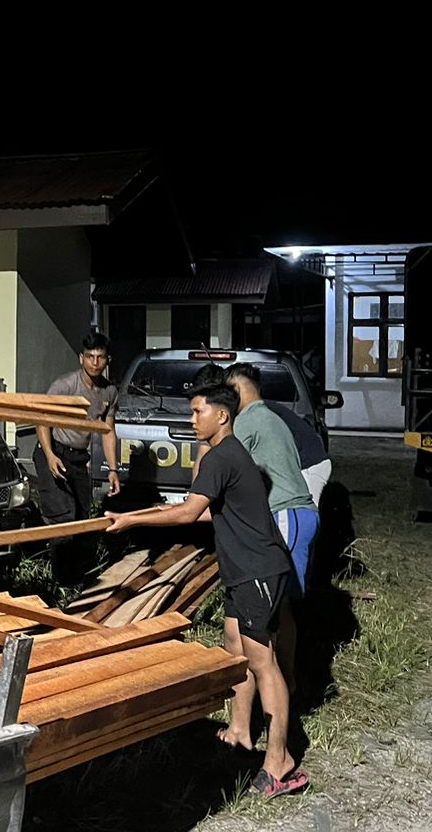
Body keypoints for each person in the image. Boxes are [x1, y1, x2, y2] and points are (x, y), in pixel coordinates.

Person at [106, 384, 308, 797]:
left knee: (262, 662)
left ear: (222, 415)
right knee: (235, 648)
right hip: (242, 572)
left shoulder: (221, 456)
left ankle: (279, 761)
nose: (192, 420)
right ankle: (239, 731)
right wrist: (144, 512)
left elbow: (188, 513)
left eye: (198, 412)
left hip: (256, 571)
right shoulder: (226, 454)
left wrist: (132, 522)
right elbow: (196, 508)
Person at [223, 363, 318, 595]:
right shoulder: (273, 417)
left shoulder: (246, 421)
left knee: (283, 593)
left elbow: (227, 468)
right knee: (286, 592)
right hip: (298, 514)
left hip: (286, 513)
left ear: (236, 390)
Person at [33, 332, 119, 568]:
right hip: (54, 451)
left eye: (100, 357)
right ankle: (60, 572)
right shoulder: (65, 386)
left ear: (107, 360)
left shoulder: (109, 392)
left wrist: (113, 469)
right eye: (90, 357)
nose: (95, 362)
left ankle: (79, 571)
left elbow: (108, 431)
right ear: (81, 358)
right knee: (62, 514)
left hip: (78, 458)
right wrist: (50, 455)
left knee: (82, 517)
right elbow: (42, 420)